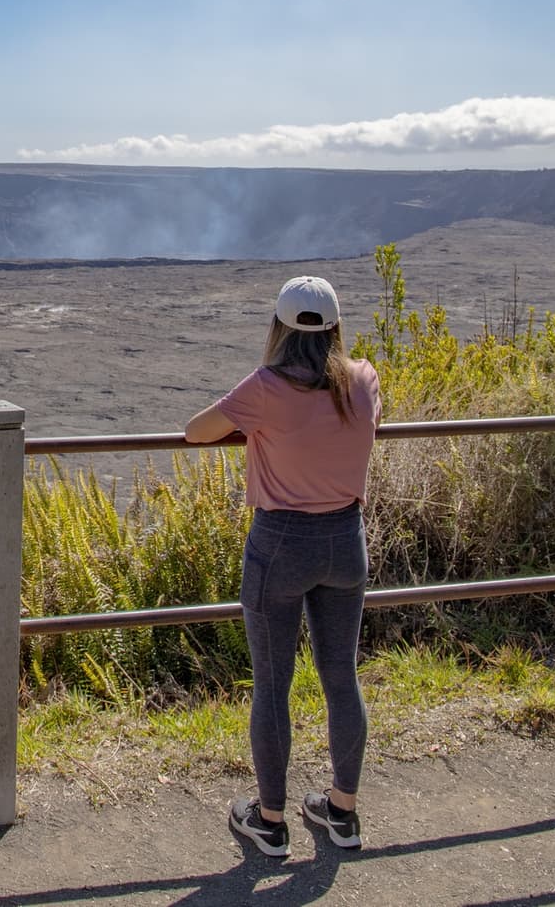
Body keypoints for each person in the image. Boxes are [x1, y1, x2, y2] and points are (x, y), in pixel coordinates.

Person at [184, 275, 381, 859]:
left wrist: (255, 426)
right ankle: (342, 812)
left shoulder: (266, 387)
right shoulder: (365, 379)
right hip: (347, 539)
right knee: (340, 677)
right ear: (336, 327)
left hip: (281, 544)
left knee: (273, 685)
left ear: (279, 328)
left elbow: (197, 432)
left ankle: (269, 822)